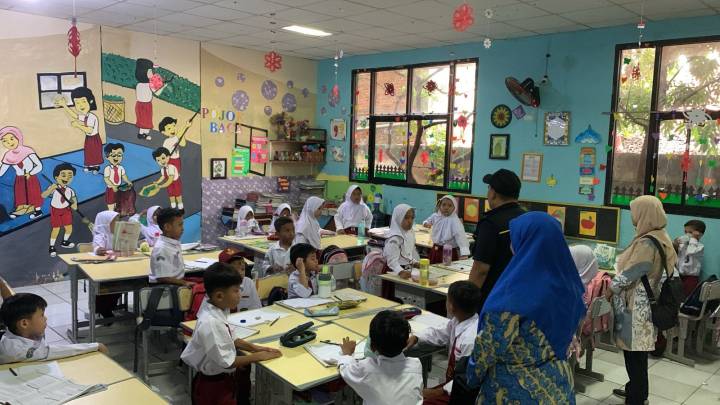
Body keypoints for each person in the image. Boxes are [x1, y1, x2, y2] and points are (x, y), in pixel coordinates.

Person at [467, 212, 585, 403]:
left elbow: (487, 350)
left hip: (515, 389)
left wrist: (471, 377)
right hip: (558, 384)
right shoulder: (568, 285)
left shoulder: (512, 296)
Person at [607, 196, 677, 405]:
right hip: (646, 302)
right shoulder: (660, 235)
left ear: (645, 213)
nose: (633, 216)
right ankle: (636, 391)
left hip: (637, 307)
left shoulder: (647, 242)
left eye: (635, 211)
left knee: (634, 356)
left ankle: (636, 397)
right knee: (638, 355)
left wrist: (611, 287)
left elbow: (634, 270)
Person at [181, 263, 281, 405]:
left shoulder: (219, 308)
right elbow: (227, 362)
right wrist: (257, 357)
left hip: (223, 379)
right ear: (219, 296)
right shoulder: (211, 322)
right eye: (236, 291)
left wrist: (256, 348)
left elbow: (232, 338)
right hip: (213, 386)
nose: (240, 294)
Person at [406, 281, 480, 404]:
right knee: (416, 395)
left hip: (463, 391)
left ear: (451, 306)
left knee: (418, 400)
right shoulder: (459, 320)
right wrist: (417, 337)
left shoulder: (470, 340)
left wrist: (439, 391)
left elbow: (466, 377)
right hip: (452, 384)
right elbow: (440, 333)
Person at [338, 310, 423, 405]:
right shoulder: (416, 365)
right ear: (407, 342)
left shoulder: (366, 369)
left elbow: (345, 368)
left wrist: (347, 353)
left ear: (372, 346)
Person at [469, 169, 524, 311]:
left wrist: (466, 301)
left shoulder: (491, 223)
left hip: (494, 297)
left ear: (493, 193)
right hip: (520, 293)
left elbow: (481, 269)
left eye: (489, 188)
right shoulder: (526, 218)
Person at [0, 293, 108, 364]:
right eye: (42, 315)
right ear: (24, 323)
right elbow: (54, 352)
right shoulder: (17, 350)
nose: (45, 318)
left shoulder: (21, 334)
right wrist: (95, 346)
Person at [55, 87, 103, 173]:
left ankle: (96, 167)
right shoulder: (86, 115)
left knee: (94, 153)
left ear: (90, 101)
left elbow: (89, 130)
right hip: (89, 138)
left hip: (94, 138)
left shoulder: (92, 117)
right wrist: (64, 105)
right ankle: (90, 166)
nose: (81, 105)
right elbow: (75, 116)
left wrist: (78, 125)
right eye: (77, 103)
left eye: (83, 101)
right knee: (88, 153)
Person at [0, 126, 44, 219]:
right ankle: (21, 209)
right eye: (4, 141)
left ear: (18, 137)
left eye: (12, 138)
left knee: (33, 193)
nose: (9, 142)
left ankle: (37, 210)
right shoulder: (8, 155)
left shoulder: (28, 150)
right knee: (20, 194)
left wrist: (30, 173)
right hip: (19, 178)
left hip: (30, 177)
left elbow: (39, 165)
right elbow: (2, 170)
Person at [41, 163, 77, 257]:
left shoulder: (70, 190)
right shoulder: (53, 188)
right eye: (63, 175)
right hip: (55, 210)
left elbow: (74, 199)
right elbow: (43, 195)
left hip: (66, 210)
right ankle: (52, 246)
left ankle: (65, 241)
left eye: (70, 176)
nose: (67, 178)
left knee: (69, 227)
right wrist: (51, 189)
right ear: (56, 177)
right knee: (56, 228)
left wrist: (74, 204)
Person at [90, 210, 122, 318]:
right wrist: (99, 250)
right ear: (106, 223)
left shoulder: (118, 234)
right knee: (110, 287)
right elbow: (97, 247)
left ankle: (110, 307)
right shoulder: (100, 235)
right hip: (105, 270)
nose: (118, 224)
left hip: (118, 267)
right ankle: (104, 310)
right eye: (115, 221)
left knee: (121, 284)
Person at [150, 208, 193, 286]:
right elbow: (162, 277)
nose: (183, 228)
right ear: (167, 227)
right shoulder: (162, 249)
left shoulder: (172, 242)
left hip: (177, 281)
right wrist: (185, 283)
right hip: (167, 286)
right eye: (180, 225)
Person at [422, 195, 470, 264]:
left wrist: (464, 253)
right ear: (439, 206)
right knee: (433, 268)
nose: (446, 208)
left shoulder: (455, 221)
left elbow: (461, 236)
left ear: (454, 208)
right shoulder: (436, 216)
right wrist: (426, 223)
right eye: (443, 205)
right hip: (435, 249)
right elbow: (427, 220)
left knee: (445, 269)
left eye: (450, 206)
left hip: (448, 251)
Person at [383, 204, 420, 279]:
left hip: (406, 270)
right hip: (393, 272)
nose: (410, 221)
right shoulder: (394, 238)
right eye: (406, 218)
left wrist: (414, 262)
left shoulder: (410, 234)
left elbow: (406, 255)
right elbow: (391, 261)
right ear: (398, 218)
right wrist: (400, 271)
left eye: (412, 218)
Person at [674, 219, 705, 297]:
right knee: (677, 297)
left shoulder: (699, 247)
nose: (687, 235)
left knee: (687, 297)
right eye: (685, 232)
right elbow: (675, 253)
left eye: (690, 232)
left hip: (691, 278)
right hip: (679, 276)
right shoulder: (683, 245)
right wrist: (676, 243)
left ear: (699, 234)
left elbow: (690, 251)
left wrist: (693, 238)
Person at [102, 143, 132, 211]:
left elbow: (124, 175)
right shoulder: (108, 168)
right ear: (107, 157)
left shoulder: (121, 168)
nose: (116, 158)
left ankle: (117, 210)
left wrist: (128, 181)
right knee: (111, 203)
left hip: (119, 188)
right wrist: (113, 186)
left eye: (119, 155)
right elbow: (106, 179)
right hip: (111, 189)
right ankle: (111, 212)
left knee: (118, 201)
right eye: (113, 155)